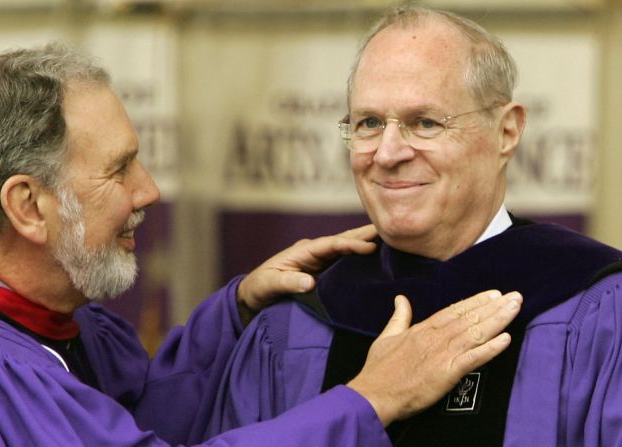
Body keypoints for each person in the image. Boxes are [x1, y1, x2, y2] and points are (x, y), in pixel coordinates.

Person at [0, 44, 521, 446]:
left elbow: (135, 415)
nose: (149, 190)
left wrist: (238, 309)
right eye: (118, 167)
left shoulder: (35, 312)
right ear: (27, 206)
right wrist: (368, 400)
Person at [202, 5, 622, 447]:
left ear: (507, 132)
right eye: (369, 123)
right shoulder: (293, 327)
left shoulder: (596, 310)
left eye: (424, 123)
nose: (387, 153)